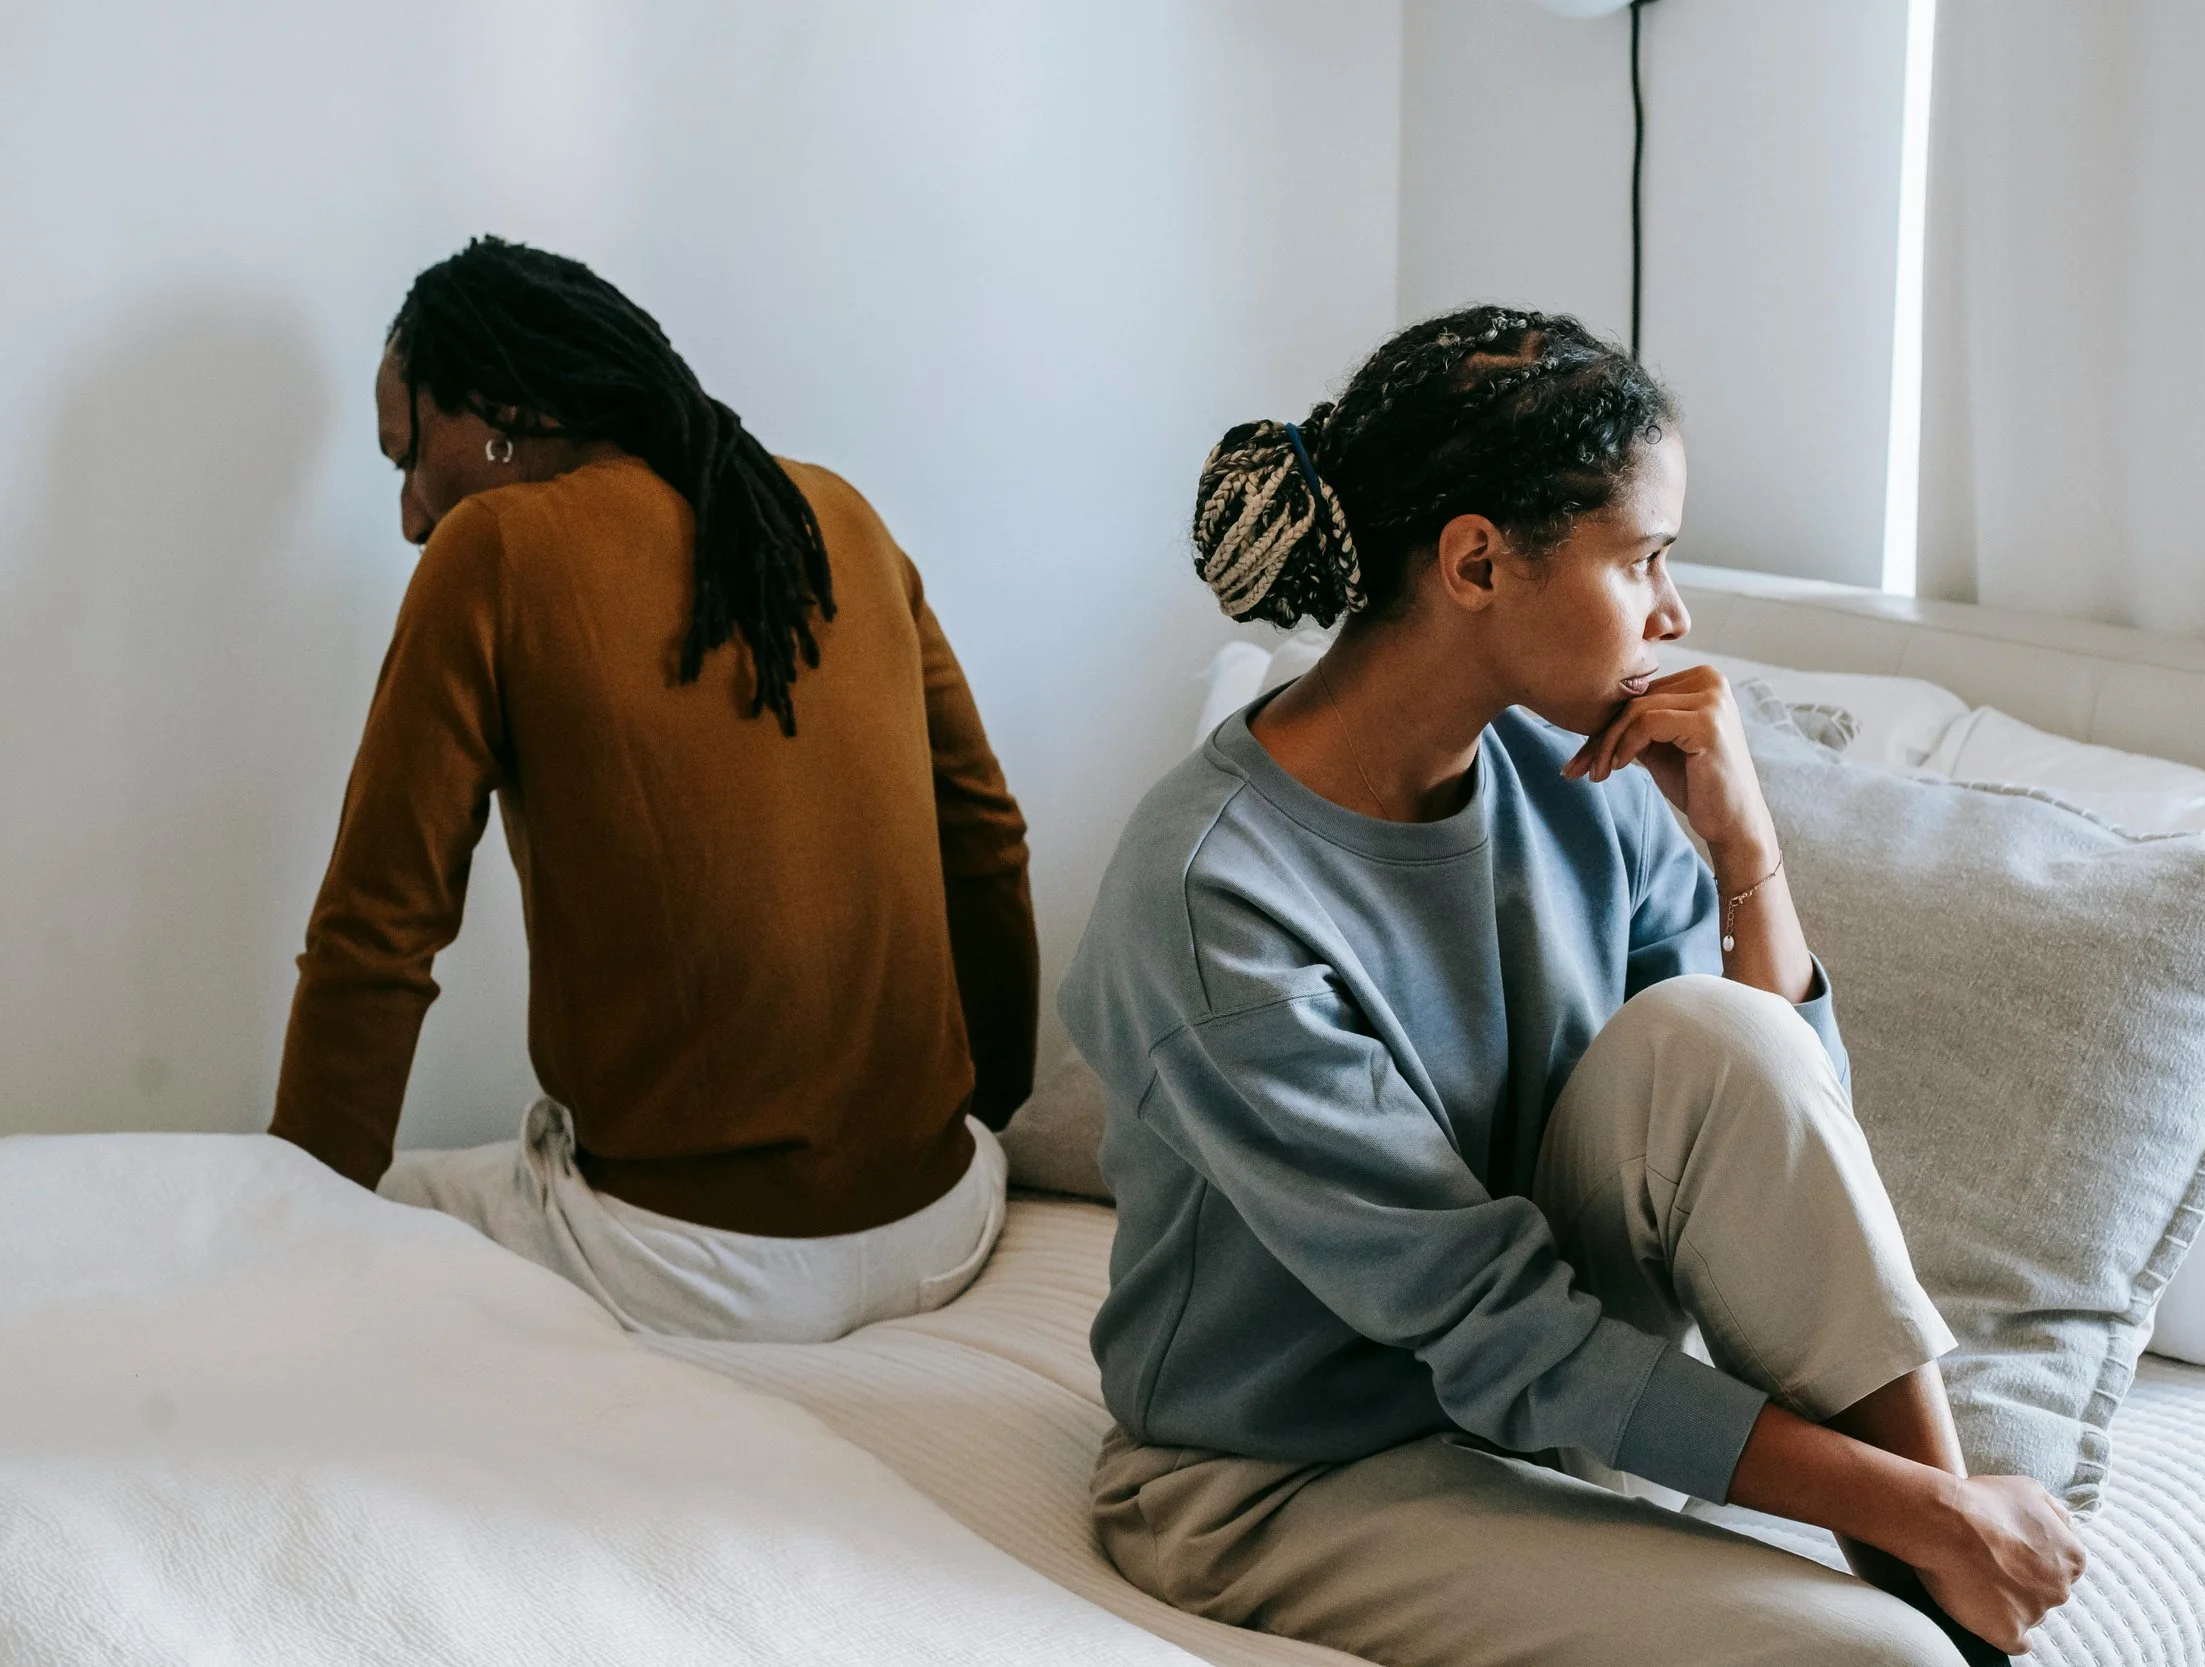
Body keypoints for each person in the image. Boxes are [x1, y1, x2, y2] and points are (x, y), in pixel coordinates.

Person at [1060, 307, 2085, 1665]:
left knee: (1718, 1032)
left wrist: (1744, 849)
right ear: (1478, 562)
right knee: (1874, 1660)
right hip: (1290, 1474)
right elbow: (1497, 1325)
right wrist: (1929, 1506)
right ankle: (1945, 1555)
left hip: (1548, 1407)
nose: (1674, 611)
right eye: (1644, 556)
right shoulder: (1212, 895)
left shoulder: (1577, 779)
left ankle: (1947, 1570)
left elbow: (1786, 1148)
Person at [269, 237, 1035, 1344]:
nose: (410, 514)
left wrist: (284, 1245)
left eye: (408, 457)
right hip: (950, 1221)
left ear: (496, 409)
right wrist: (983, 1122)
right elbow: (986, 841)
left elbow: (375, 937)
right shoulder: (842, 519)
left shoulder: (495, 549)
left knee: (381, 1205)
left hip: (698, 1269)